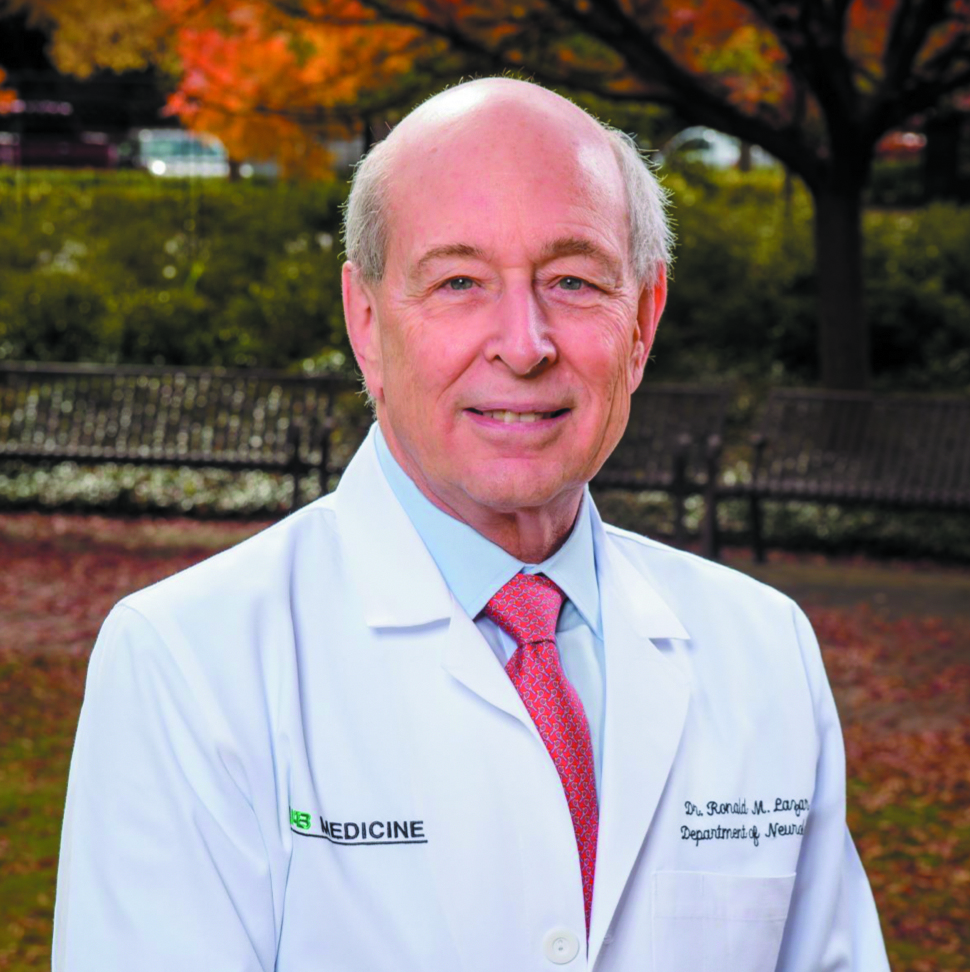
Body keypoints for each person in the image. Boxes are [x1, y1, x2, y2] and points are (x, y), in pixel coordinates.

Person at [53, 77, 889, 971]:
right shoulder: (189, 663)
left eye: (573, 281)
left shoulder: (765, 649)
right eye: (458, 282)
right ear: (366, 321)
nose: (524, 345)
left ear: (644, 321)